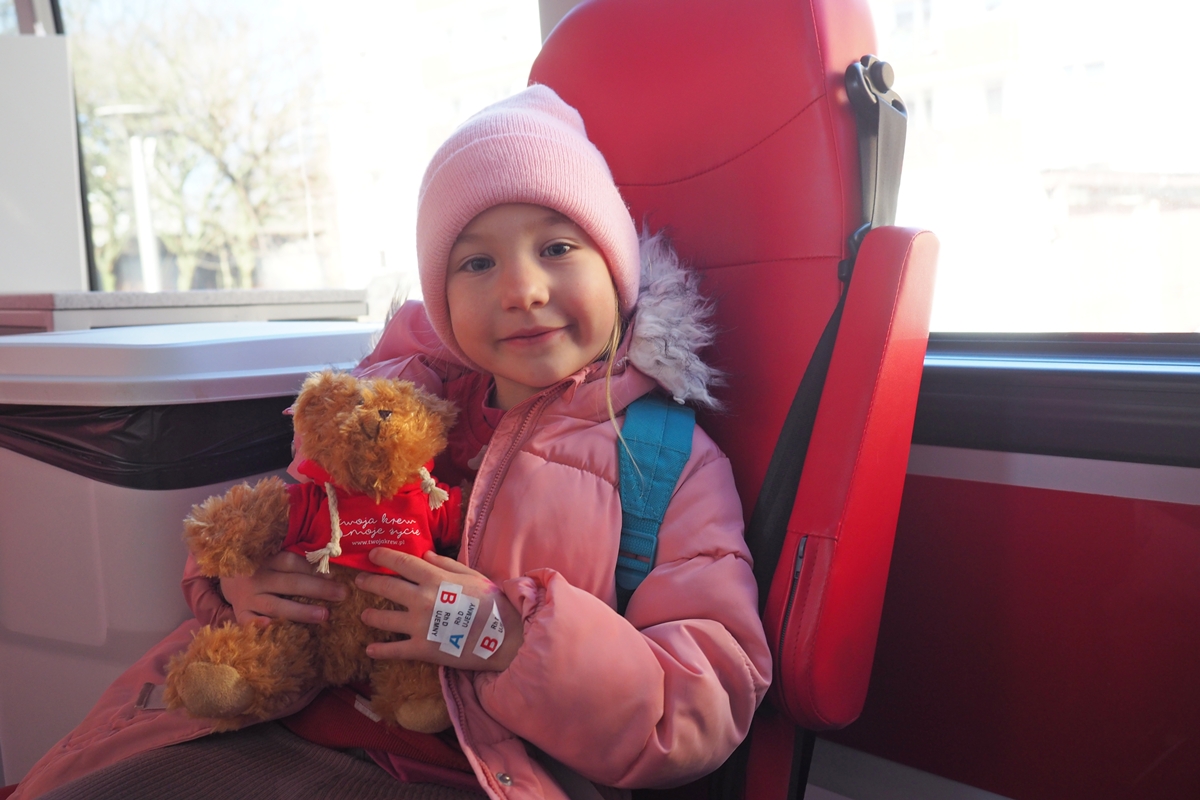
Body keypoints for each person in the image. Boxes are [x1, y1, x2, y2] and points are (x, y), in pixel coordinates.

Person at [13, 85, 771, 800]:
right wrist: (239, 587)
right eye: (477, 262)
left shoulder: (666, 462)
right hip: (279, 719)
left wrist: (505, 638)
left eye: (558, 248)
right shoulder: (393, 404)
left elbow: (706, 700)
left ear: (617, 268)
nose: (522, 290)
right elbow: (285, 518)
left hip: (467, 767)